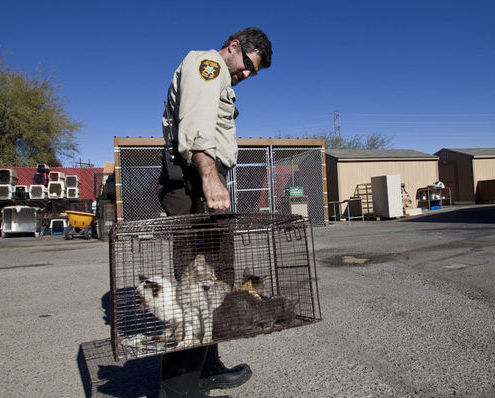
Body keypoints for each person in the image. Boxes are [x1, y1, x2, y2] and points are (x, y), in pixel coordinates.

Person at [157, 27, 272, 398]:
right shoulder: (207, 64)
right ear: (234, 47)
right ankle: (178, 390)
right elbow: (196, 127)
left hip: (205, 180)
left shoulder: (223, 78)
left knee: (218, 281)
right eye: (248, 65)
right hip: (192, 181)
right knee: (194, 287)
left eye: (254, 72)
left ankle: (208, 369)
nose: (248, 75)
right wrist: (209, 178)